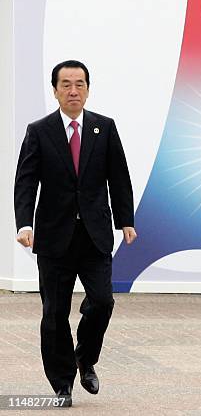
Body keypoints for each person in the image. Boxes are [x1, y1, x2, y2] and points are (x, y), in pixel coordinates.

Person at [14, 60, 137, 407]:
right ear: (54, 90)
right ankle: (62, 382)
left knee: (102, 301)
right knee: (54, 313)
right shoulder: (39, 131)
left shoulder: (104, 128)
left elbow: (119, 177)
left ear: (87, 88)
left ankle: (85, 357)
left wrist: (125, 220)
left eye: (79, 84)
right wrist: (25, 224)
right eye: (66, 84)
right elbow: (26, 182)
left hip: (95, 235)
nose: (73, 90)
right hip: (54, 238)